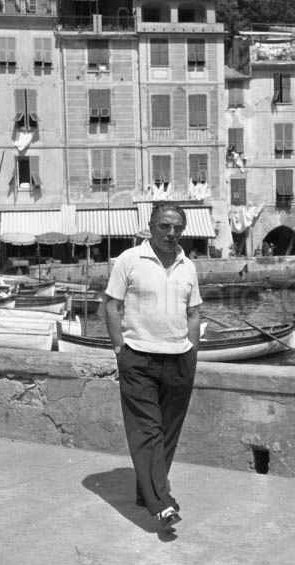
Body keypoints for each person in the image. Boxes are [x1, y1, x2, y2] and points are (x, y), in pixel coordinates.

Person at [104, 202, 201, 531]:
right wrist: (120, 349)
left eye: (177, 227)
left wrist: (192, 353)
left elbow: (193, 313)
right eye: (164, 226)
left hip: (179, 358)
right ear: (150, 226)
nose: (171, 233)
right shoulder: (129, 259)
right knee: (147, 431)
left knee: (167, 432)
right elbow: (112, 306)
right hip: (138, 357)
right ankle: (162, 504)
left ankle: (146, 493)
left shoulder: (188, 266)